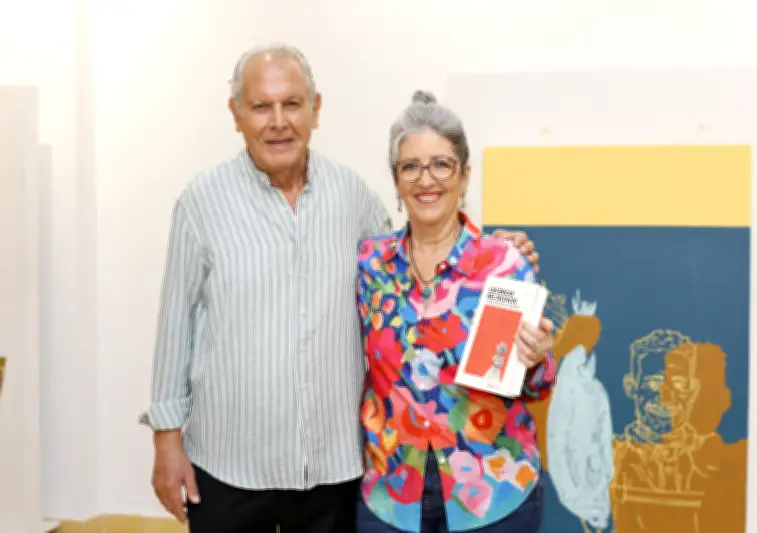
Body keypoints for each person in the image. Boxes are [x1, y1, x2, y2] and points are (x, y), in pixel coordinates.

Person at [139, 44, 542, 533]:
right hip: (231, 465)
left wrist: (501, 251)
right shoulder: (202, 202)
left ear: (316, 109)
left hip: (336, 473)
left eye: (292, 104)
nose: (278, 121)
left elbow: (428, 240)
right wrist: (167, 440)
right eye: (261, 106)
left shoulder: (354, 199)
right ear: (236, 114)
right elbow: (174, 324)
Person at [355, 90, 556, 533]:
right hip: (391, 498)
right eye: (411, 166)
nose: (427, 180)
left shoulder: (505, 263)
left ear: (464, 175)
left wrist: (538, 356)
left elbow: (538, 386)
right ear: (396, 179)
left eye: (441, 164)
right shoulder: (369, 263)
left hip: (494, 497)